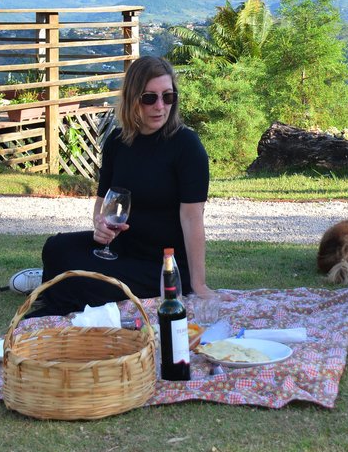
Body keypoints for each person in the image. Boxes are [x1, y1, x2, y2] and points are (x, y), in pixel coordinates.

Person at [26, 56, 213, 317]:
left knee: (83, 281)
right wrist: (100, 225)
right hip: (121, 249)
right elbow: (103, 202)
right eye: (150, 98)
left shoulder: (186, 146)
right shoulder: (117, 141)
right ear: (132, 98)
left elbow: (193, 219)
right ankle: (57, 285)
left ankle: (57, 291)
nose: (160, 106)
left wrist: (198, 284)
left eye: (168, 97)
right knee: (56, 248)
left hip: (163, 263)